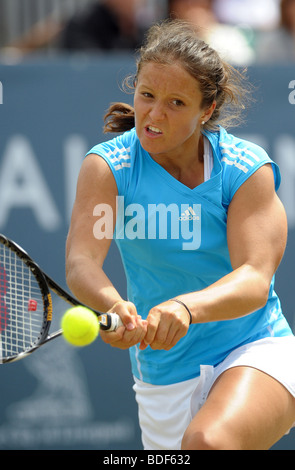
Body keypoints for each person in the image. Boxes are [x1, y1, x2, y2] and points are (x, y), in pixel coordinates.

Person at [65, 19, 295, 450]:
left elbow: (254, 279)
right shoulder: (108, 168)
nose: (154, 114)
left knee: (209, 442)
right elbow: (82, 262)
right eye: (147, 95)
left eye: (175, 102)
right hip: (164, 374)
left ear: (205, 110)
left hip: (252, 347)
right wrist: (115, 306)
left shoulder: (245, 169)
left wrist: (186, 309)